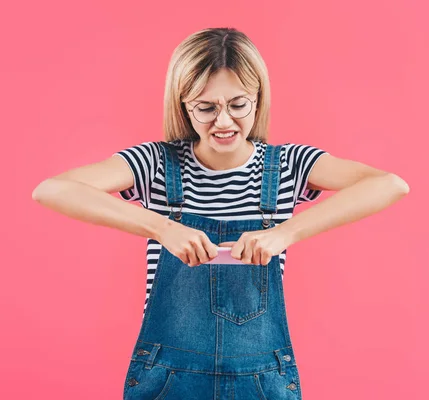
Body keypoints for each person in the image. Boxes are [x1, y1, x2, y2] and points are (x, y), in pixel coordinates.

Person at [32, 27, 409, 399]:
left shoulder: (288, 165)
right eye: (206, 107)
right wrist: (163, 228)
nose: (224, 121)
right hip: (166, 381)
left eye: (237, 104)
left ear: (257, 99)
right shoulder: (156, 164)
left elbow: (389, 184)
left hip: (261, 381)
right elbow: (53, 189)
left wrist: (285, 232)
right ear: (183, 104)